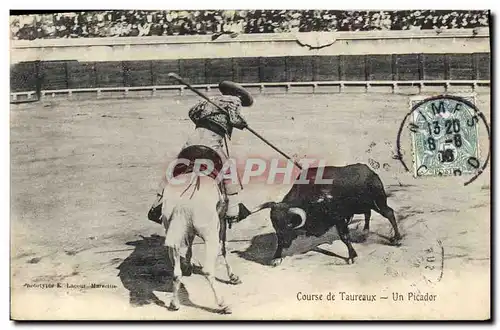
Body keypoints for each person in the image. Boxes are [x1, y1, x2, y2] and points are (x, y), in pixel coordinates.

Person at [147, 80, 253, 226]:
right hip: (211, 143)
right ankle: (233, 211)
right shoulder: (234, 101)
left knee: (175, 166)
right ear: (238, 94)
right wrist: (243, 124)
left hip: (192, 141)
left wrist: (204, 120)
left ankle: (157, 205)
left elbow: (192, 113)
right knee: (229, 169)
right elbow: (235, 119)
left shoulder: (210, 100)